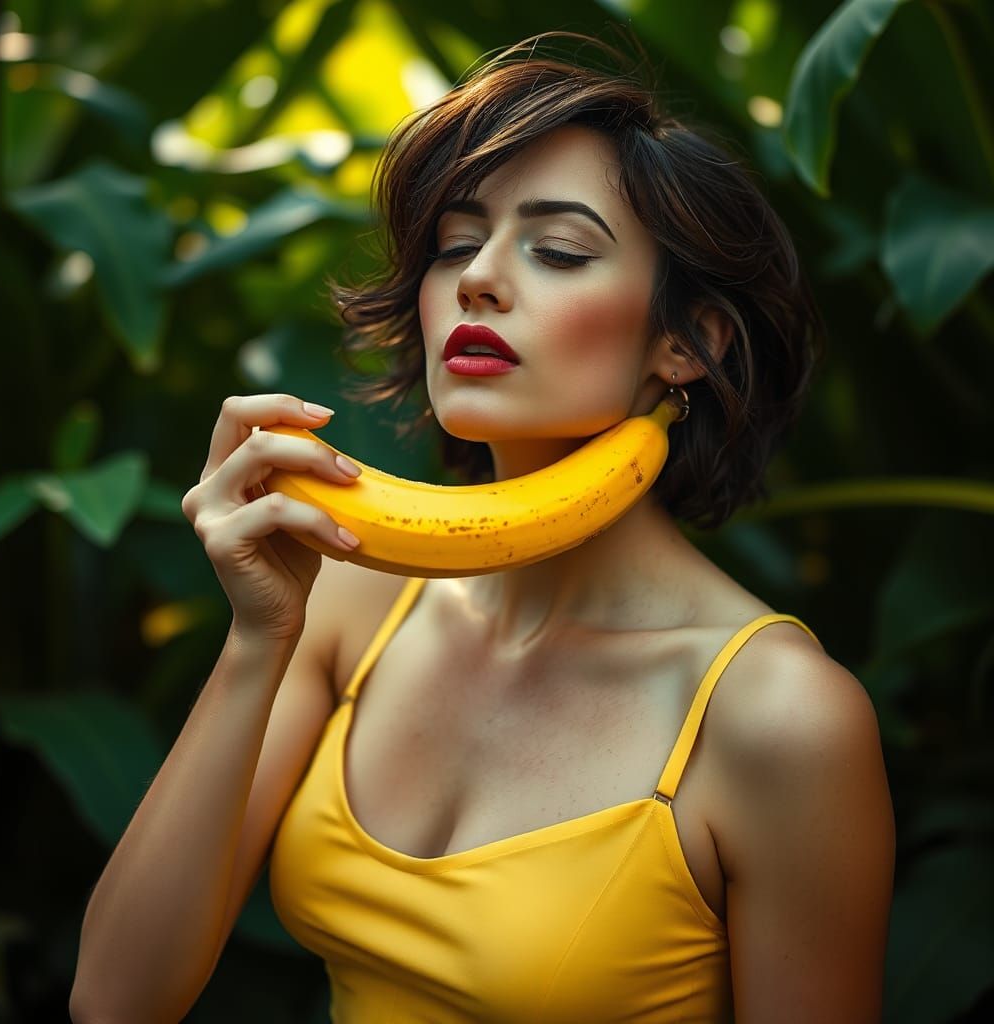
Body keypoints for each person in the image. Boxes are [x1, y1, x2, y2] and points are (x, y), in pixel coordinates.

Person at [70, 32, 896, 1024]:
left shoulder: (777, 716)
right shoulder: (349, 594)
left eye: (558, 249)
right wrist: (257, 640)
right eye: (457, 243)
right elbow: (116, 1002)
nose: (478, 278)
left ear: (686, 343)